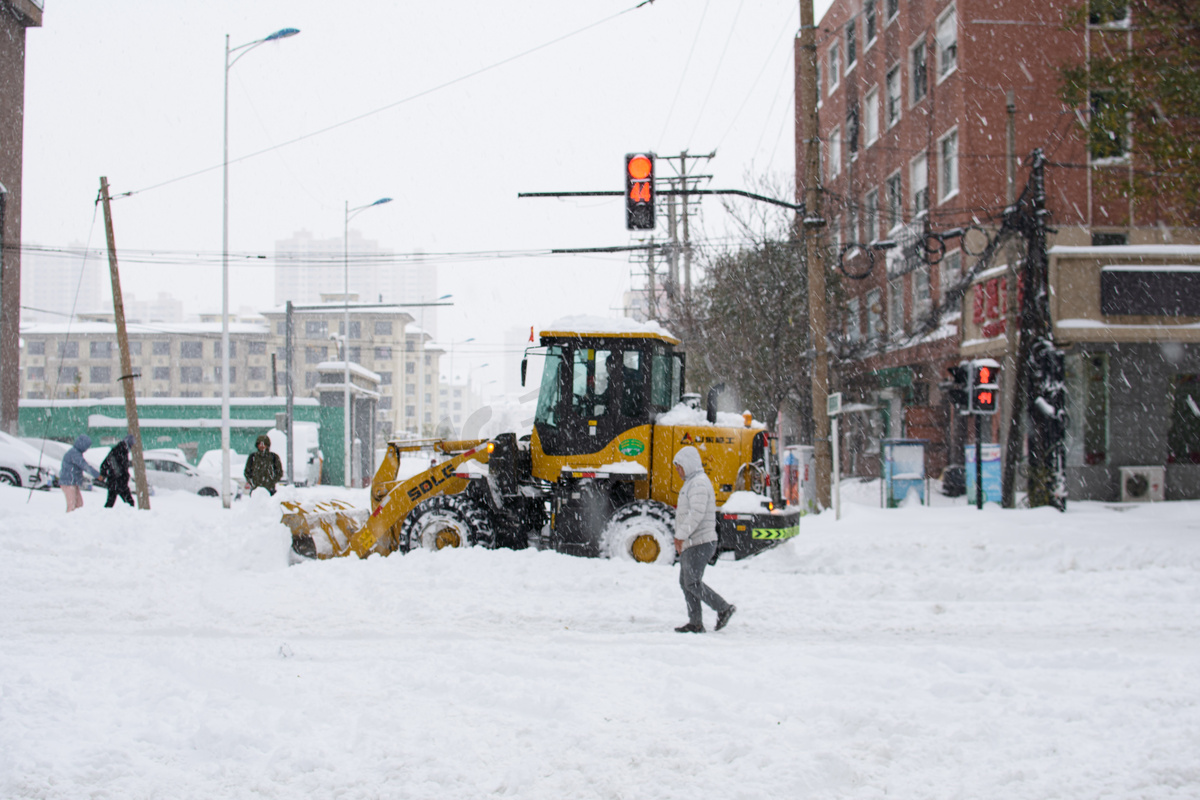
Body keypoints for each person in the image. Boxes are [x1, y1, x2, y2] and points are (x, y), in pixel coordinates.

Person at [671, 446, 736, 633]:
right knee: (686, 582)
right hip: (693, 541)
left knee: (691, 582)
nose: (677, 470)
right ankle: (695, 623)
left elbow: (696, 514)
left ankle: (723, 608)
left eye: (679, 466)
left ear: (688, 464)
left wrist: (680, 535)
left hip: (700, 542)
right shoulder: (693, 482)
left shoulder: (698, 483)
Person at [59, 434, 100, 513]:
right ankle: (68, 522)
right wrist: (97, 475)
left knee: (79, 504)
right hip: (68, 483)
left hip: (72, 482)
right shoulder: (74, 454)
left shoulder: (75, 453)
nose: (87, 449)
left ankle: (76, 521)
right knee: (72, 506)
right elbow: (84, 466)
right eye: (86, 446)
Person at [100, 434, 136, 508]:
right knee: (130, 503)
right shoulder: (122, 451)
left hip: (113, 481)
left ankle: (104, 517)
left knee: (110, 503)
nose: (132, 447)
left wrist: (104, 475)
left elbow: (104, 465)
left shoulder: (117, 450)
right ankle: (130, 518)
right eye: (132, 445)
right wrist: (124, 477)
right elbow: (122, 467)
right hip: (119, 482)